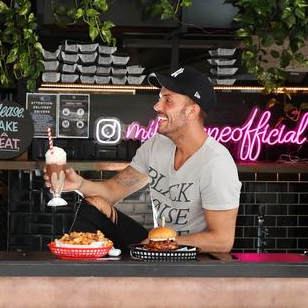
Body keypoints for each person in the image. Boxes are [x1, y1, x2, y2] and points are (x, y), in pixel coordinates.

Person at [45, 67, 241, 253]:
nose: (157, 106)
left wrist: (165, 242)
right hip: (156, 248)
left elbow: (222, 241)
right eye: (159, 98)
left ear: (192, 111)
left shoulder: (216, 163)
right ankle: (78, 268)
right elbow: (111, 192)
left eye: (168, 100)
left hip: (193, 257)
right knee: (94, 203)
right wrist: (79, 183)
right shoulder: (157, 146)